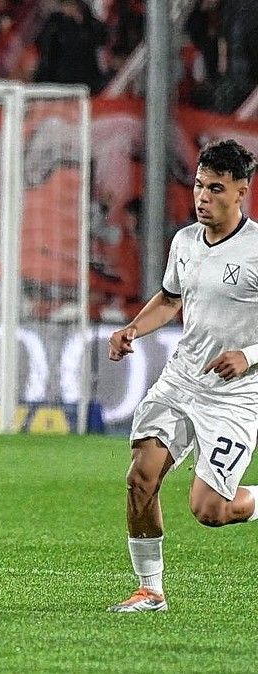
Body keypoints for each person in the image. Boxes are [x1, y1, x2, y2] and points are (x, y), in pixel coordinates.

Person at [107, 138, 258, 613]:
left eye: (215, 188)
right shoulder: (185, 241)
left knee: (210, 511)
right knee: (139, 479)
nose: (202, 197)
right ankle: (150, 590)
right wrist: (134, 327)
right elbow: (171, 299)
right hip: (181, 382)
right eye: (198, 185)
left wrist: (249, 356)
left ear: (242, 192)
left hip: (234, 396)